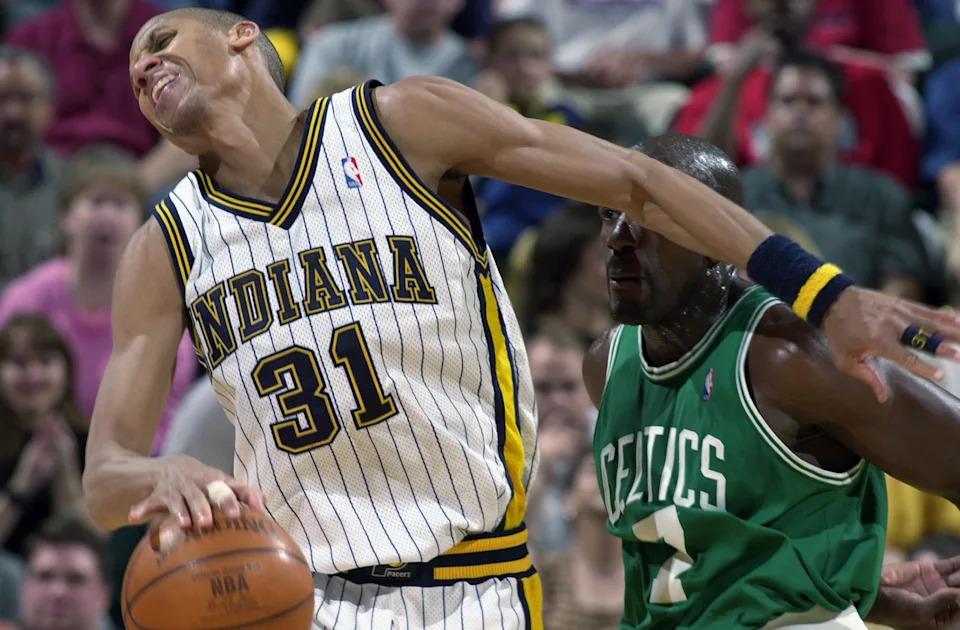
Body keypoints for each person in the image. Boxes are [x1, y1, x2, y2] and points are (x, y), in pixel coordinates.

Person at [81, 7, 960, 629]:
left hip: (471, 589)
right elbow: (103, 473)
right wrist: (151, 475)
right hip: (301, 592)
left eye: (161, 38)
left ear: (242, 36)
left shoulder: (399, 123)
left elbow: (639, 181)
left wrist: (823, 293)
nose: (144, 64)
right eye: (132, 69)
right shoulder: (163, 248)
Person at [582, 133, 960, 628]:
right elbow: (707, 556)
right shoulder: (606, 365)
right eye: (610, 213)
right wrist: (876, 599)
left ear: (720, 235)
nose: (620, 237)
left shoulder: (789, 355)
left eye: (649, 214)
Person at [0, 315, 88, 559]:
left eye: (45, 362)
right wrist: (21, 485)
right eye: (19, 363)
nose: (33, 375)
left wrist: (66, 471)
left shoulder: (89, 441)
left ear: (65, 370)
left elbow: (90, 542)